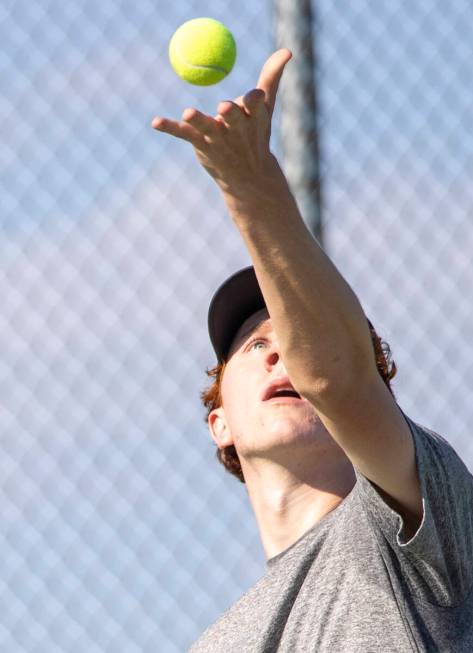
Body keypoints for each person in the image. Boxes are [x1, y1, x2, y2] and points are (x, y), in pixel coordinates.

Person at [152, 49, 473, 652]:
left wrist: (251, 191)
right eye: (255, 345)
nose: (282, 355)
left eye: (296, 340)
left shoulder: (415, 523)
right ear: (218, 422)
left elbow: (336, 378)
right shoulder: (218, 644)